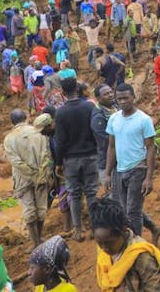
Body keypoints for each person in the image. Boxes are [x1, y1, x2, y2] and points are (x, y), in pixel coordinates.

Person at [106, 83, 157, 238]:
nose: (123, 101)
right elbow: (111, 146)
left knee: (133, 211)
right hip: (119, 171)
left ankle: (136, 244)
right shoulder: (114, 119)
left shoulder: (144, 120)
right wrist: (108, 174)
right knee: (122, 208)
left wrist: (148, 177)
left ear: (134, 98)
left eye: (126, 98)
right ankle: (150, 231)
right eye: (119, 98)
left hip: (138, 169)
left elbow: (151, 148)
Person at [53, 77, 100, 242]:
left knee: (74, 193)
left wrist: (58, 163)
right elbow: (96, 130)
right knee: (92, 192)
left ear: (63, 93)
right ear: (77, 89)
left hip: (71, 159)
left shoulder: (60, 112)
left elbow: (60, 141)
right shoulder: (89, 107)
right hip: (91, 155)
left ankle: (78, 230)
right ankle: (94, 228)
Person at [91, 197, 160, 291]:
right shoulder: (104, 249)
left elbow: (155, 288)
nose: (104, 248)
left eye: (109, 243)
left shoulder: (141, 256)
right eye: (99, 243)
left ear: (123, 231)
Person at [3, 109, 52, 246]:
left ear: (12, 122)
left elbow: (16, 162)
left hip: (22, 178)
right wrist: (39, 173)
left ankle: (35, 243)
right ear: (26, 118)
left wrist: (30, 173)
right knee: (41, 208)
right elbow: (46, 154)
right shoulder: (38, 132)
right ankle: (40, 237)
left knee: (29, 210)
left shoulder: (9, 139)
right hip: (41, 175)